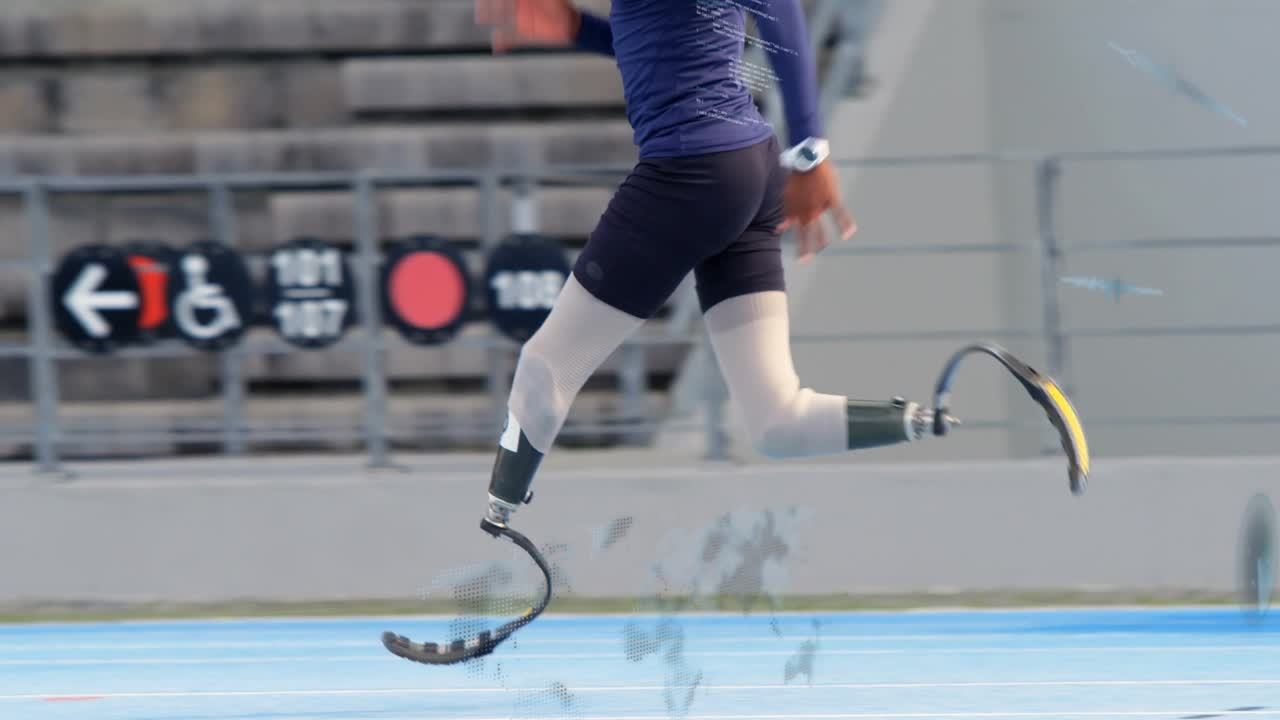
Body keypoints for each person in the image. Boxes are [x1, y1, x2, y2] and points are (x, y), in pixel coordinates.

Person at [473, 0, 954, 530]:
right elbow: (663, 47)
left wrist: (810, 148)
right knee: (778, 422)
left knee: (545, 368)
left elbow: (777, 7)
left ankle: (498, 522)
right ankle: (926, 419)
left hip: (690, 173)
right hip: (744, 167)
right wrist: (578, 28)